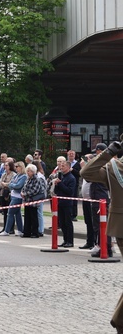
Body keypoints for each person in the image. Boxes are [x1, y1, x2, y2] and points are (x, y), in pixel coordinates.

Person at [80, 137, 123, 332]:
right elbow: (86, 172)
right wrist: (107, 153)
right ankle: (119, 321)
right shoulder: (114, 167)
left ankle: (120, 321)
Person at [0, 161, 27, 236]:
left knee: (10, 213)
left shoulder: (23, 176)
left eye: (17, 167)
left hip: (17, 197)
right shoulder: (17, 175)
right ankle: (20, 230)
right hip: (13, 195)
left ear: (21, 167)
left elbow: (18, 186)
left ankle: (7, 230)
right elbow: (11, 183)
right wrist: (11, 185)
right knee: (17, 214)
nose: (15, 168)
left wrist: (11, 185)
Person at [52, 161, 76, 247]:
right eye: (60, 166)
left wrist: (60, 184)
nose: (61, 167)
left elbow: (70, 191)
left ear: (68, 167)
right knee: (62, 223)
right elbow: (58, 191)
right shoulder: (61, 176)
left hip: (67, 203)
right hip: (60, 202)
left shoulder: (71, 178)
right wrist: (57, 185)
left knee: (68, 222)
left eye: (63, 166)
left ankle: (70, 241)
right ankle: (65, 240)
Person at [20, 164, 46, 238]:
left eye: (30, 171)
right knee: (27, 217)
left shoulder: (37, 179)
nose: (28, 172)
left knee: (34, 217)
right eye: (27, 171)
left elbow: (35, 190)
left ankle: (35, 232)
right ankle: (26, 232)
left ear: (34, 172)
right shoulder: (28, 179)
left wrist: (25, 194)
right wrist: (22, 192)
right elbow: (24, 187)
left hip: (33, 201)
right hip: (27, 201)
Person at [0, 161, 15, 234]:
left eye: (7, 165)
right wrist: (4, 184)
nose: (5, 167)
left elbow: (11, 184)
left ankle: (11, 228)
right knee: (4, 212)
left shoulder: (13, 175)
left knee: (10, 212)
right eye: (5, 165)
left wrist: (5, 184)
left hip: (9, 194)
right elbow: (0, 183)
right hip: (2, 193)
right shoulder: (4, 174)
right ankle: (5, 227)